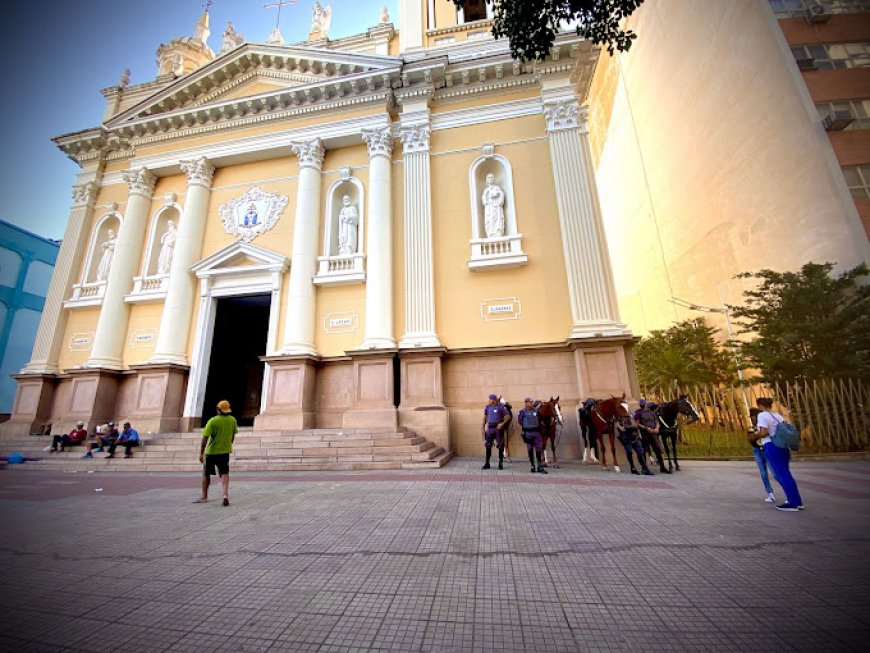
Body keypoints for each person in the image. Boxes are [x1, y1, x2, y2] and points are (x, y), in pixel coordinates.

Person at [756, 397, 803, 512]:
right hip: (783, 447)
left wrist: (755, 436)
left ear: (760, 406)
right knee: (786, 473)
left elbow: (764, 432)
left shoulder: (762, 415)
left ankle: (792, 503)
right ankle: (796, 501)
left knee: (782, 475)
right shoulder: (778, 416)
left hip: (772, 446)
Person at [195, 400, 238, 506]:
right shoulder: (232, 420)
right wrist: (229, 444)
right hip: (225, 451)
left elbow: (205, 438)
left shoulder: (213, 421)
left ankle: (204, 496)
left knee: (206, 473)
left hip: (211, 452)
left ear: (219, 410)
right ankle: (225, 494)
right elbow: (233, 435)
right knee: (224, 473)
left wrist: (201, 453)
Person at [747, 408, 777, 503]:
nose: (753, 420)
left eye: (755, 418)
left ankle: (787, 492)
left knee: (775, 473)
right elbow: (750, 439)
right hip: (757, 451)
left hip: (767, 450)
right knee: (763, 473)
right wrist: (753, 436)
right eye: (751, 419)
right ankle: (770, 493)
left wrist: (757, 435)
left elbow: (767, 434)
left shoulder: (764, 426)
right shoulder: (752, 428)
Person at [635, 400, 671, 474]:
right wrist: (646, 428)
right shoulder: (638, 412)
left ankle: (662, 467)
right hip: (644, 433)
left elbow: (657, 422)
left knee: (657, 450)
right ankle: (644, 468)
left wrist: (657, 428)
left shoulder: (652, 412)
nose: (642, 405)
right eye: (641, 404)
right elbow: (637, 424)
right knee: (644, 450)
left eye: (643, 404)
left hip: (653, 433)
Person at [615, 407, 652, 475]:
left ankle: (645, 468)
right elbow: (617, 425)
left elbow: (635, 423)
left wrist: (639, 433)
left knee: (640, 452)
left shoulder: (631, 413)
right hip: (626, 437)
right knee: (629, 452)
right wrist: (621, 428)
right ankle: (633, 468)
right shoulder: (618, 416)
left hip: (634, 436)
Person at [517, 397, 547, 474]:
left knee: (539, 449)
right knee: (530, 449)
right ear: (526, 403)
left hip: (537, 433)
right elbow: (520, 421)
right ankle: (532, 466)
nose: (532, 403)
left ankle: (540, 466)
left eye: (532, 402)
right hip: (528, 433)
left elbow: (540, 420)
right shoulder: (522, 412)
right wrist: (527, 427)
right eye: (530, 402)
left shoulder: (537, 411)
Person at [481, 393, 510, 470]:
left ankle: (500, 464)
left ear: (494, 400)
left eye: (490, 399)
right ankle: (487, 463)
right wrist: (483, 427)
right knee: (488, 445)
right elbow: (485, 417)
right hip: (490, 429)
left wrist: (502, 424)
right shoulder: (487, 407)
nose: (489, 400)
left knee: (500, 446)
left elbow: (507, 417)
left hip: (498, 429)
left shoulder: (501, 407)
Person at [482, 173, 506, 238]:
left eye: (492, 177)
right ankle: (490, 232)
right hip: (489, 207)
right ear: (487, 180)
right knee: (490, 219)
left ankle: (498, 231)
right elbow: (484, 201)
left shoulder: (497, 188)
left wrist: (498, 193)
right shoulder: (486, 190)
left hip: (497, 206)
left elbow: (501, 194)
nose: (491, 179)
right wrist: (487, 195)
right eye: (489, 178)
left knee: (497, 219)